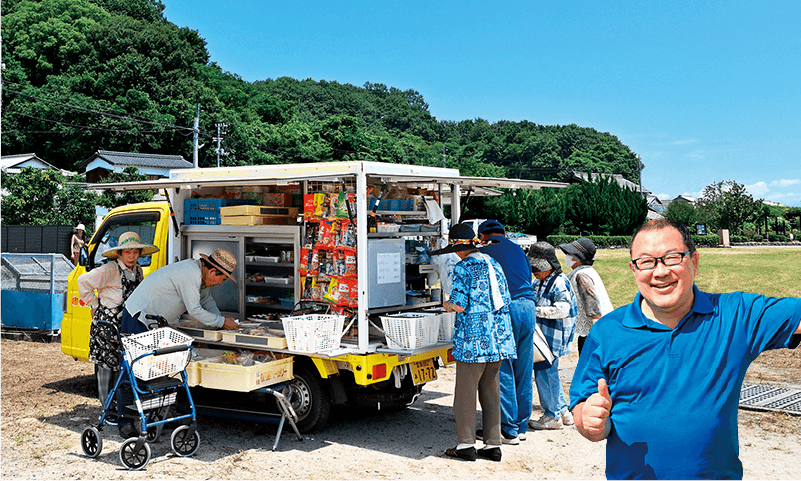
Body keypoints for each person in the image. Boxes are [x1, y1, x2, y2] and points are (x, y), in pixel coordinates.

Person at [569, 219, 801, 479]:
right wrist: (589, 422)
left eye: (672, 257)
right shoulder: (607, 331)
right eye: (646, 261)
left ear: (694, 262)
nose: (660, 272)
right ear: (634, 269)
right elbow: (583, 404)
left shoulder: (735, 316)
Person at [432, 223, 516, 462]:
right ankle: (492, 444)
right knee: (491, 391)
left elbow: (459, 304)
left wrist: (446, 305)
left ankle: (466, 444)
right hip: (498, 338)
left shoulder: (464, 266)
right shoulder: (494, 264)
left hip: (473, 341)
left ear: (459, 248)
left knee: (466, 393)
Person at [77, 231, 159, 407]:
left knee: (124, 367)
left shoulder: (137, 270)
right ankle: (106, 408)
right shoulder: (110, 269)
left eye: (135, 252)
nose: (131, 256)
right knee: (107, 366)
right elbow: (83, 282)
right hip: (107, 327)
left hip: (126, 326)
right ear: (120, 254)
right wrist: (94, 305)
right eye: (127, 252)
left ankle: (120, 406)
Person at [477, 219, 538, 443]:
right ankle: (521, 425)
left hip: (507, 308)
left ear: (483, 236)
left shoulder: (486, 252)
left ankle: (507, 429)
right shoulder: (518, 249)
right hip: (529, 308)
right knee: (523, 367)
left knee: (502, 367)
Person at [120, 248, 240, 334]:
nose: (219, 283)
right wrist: (222, 322)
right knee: (137, 363)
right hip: (138, 317)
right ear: (212, 271)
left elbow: (206, 300)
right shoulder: (191, 272)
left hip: (152, 320)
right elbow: (194, 309)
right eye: (222, 279)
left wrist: (220, 322)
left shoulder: (199, 274)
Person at [526, 241, 578, 431]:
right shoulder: (539, 281)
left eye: (538, 268)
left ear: (549, 266)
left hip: (553, 338)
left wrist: (536, 311)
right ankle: (563, 412)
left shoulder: (558, 281)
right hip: (544, 337)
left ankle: (551, 416)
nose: (535, 272)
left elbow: (563, 309)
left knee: (545, 376)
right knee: (550, 375)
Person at [557, 238, 614, 355]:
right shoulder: (587, 271)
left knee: (590, 366)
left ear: (577, 258)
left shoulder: (581, 276)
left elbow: (592, 303)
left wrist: (596, 334)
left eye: (569, 254)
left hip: (593, 332)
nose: (566, 256)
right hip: (600, 329)